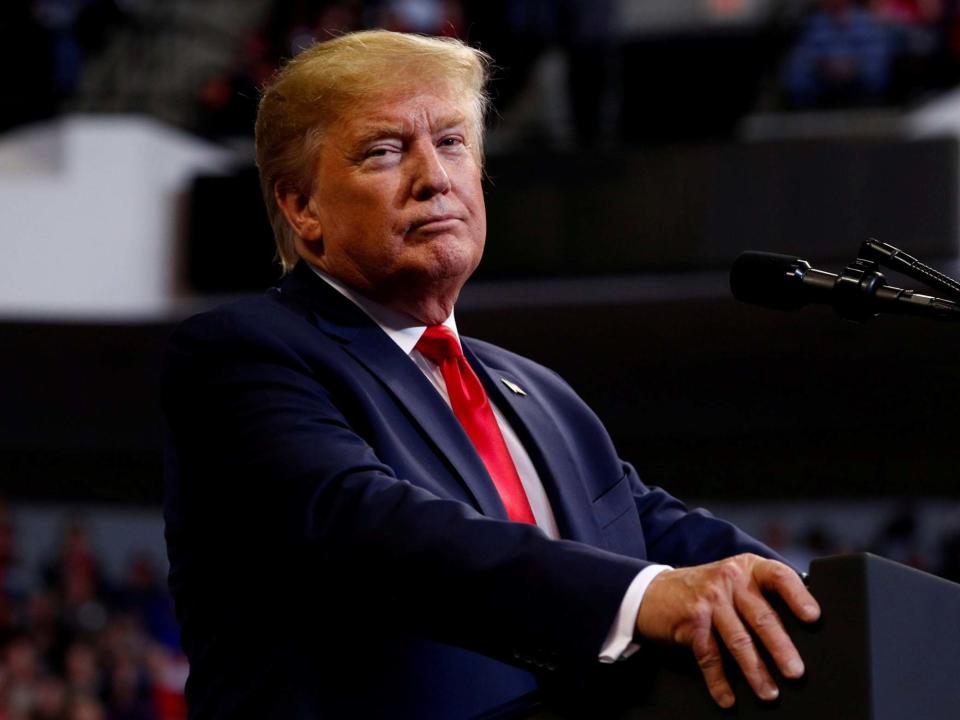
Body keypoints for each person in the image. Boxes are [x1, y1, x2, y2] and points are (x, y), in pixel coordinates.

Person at [162, 30, 820, 719]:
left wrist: (826, 605)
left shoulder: (540, 396)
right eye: (386, 151)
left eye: (451, 143)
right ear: (302, 208)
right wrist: (645, 598)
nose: (433, 177)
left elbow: (665, 536)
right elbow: (370, 530)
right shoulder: (243, 355)